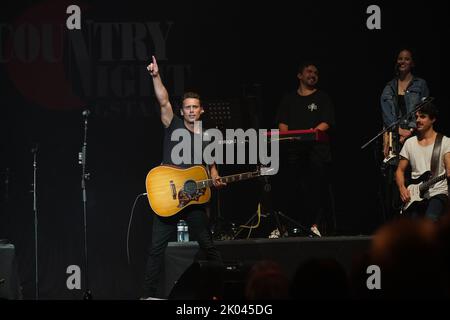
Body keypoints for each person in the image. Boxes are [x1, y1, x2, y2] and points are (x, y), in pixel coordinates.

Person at [141, 56, 224, 299]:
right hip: (169, 198)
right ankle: (147, 296)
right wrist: (156, 76)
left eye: (194, 107)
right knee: (156, 250)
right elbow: (163, 99)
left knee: (209, 248)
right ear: (182, 110)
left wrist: (216, 177)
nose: (190, 110)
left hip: (194, 200)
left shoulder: (208, 136)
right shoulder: (172, 123)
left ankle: (218, 293)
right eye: (187, 107)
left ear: (201, 110)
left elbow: (212, 167)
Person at [275, 61, 335, 236]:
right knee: (289, 191)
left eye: (316, 72)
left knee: (316, 190)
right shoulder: (288, 99)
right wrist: (290, 138)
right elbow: (282, 126)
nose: (313, 74)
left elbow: (326, 123)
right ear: (299, 75)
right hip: (292, 154)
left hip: (317, 153)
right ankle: (284, 228)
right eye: (309, 71)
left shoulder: (323, 98)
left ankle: (315, 225)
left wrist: (312, 132)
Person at [380, 48, 430, 220]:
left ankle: (415, 218)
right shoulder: (389, 87)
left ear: (412, 63)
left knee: (414, 176)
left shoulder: (420, 85)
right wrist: (398, 131)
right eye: (400, 59)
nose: (402, 61)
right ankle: (397, 220)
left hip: (415, 136)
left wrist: (410, 131)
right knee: (394, 179)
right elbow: (386, 115)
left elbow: (425, 111)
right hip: (395, 138)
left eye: (406, 59)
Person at [395, 103, 450, 221]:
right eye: (417, 117)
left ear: (433, 119)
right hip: (415, 194)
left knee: (429, 222)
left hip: (438, 192)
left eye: (423, 117)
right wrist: (402, 189)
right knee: (414, 230)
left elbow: (449, 165)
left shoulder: (445, 142)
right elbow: (400, 170)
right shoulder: (410, 143)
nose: (418, 120)